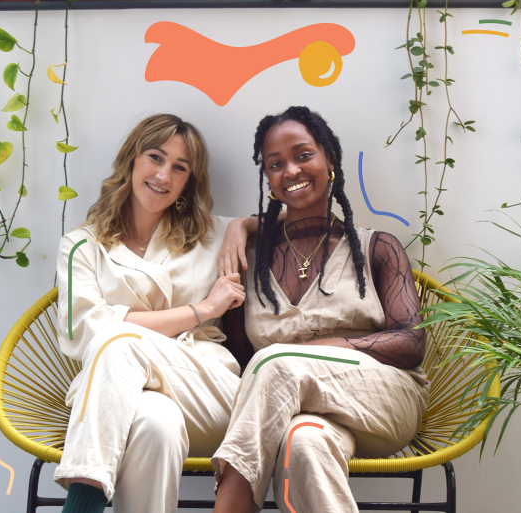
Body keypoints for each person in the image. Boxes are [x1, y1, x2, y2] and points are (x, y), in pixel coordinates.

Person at [211, 106, 429, 513]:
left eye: (303, 155)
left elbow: (411, 342)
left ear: (330, 160)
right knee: (303, 444)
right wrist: (239, 225)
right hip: (299, 412)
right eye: (275, 164)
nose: (290, 170)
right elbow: (241, 360)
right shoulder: (251, 261)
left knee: (275, 360)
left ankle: (230, 504)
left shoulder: (377, 246)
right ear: (269, 180)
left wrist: (324, 347)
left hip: (381, 401)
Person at [54, 113, 256, 513]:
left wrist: (245, 225)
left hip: (207, 394)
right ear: (132, 159)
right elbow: (84, 332)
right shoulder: (82, 246)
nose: (164, 175)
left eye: (179, 168)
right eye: (155, 158)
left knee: (118, 339)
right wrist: (201, 310)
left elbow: (306, 222)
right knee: (154, 426)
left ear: (187, 182)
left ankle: (82, 502)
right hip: (121, 405)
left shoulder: (211, 234)